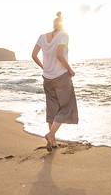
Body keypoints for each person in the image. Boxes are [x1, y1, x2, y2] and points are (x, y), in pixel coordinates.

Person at [32, 12, 78, 152]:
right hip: (61, 77)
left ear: (53, 25)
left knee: (52, 109)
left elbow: (33, 55)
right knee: (66, 106)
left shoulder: (42, 37)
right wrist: (69, 69)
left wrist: (44, 67)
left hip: (47, 78)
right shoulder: (64, 35)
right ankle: (51, 134)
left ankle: (53, 142)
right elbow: (59, 54)